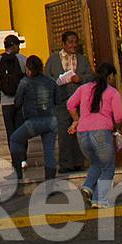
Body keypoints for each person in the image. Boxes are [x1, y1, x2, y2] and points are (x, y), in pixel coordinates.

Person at [67, 62, 122, 206]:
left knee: (96, 163)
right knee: (108, 167)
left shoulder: (83, 88)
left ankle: (87, 187)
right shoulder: (112, 92)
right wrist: (117, 129)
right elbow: (119, 117)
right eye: (113, 77)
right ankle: (100, 199)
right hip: (101, 133)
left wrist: (77, 120)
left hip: (82, 133)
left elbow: (70, 105)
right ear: (110, 76)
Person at [7, 55, 60, 182]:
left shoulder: (25, 82)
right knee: (49, 152)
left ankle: (17, 171)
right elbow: (58, 100)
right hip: (51, 120)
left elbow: (17, 102)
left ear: (28, 69)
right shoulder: (51, 81)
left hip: (33, 120)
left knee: (15, 139)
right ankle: (50, 180)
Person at [48, 30, 92, 174]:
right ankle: (65, 163)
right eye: (70, 42)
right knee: (64, 133)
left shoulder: (82, 59)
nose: (74, 45)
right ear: (64, 44)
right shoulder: (53, 59)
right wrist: (57, 82)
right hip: (61, 101)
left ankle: (79, 162)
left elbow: (91, 76)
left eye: (75, 42)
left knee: (79, 130)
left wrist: (81, 78)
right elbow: (47, 77)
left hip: (79, 102)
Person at [0, 34, 26, 137]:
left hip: (6, 103)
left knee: (10, 133)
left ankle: (13, 147)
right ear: (14, 46)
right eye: (18, 45)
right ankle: (22, 148)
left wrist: (0, 98)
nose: (19, 48)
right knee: (22, 133)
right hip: (20, 102)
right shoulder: (22, 59)